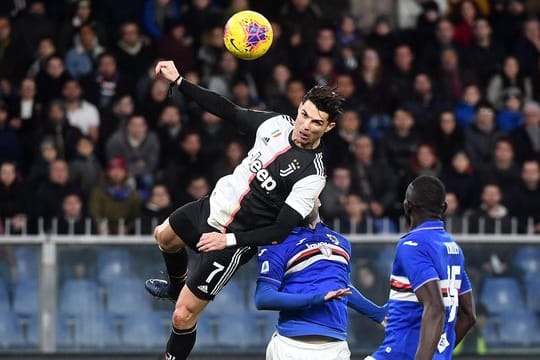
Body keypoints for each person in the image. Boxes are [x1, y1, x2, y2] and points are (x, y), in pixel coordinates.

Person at [144, 60, 344, 360]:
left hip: (233, 240)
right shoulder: (276, 124)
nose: (306, 126)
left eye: (316, 123)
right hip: (212, 206)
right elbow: (227, 109)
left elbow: (279, 232)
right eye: (304, 115)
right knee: (163, 236)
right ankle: (176, 287)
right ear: (299, 107)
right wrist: (179, 81)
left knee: (182, 317)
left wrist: (228, 242)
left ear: (328, 127)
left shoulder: (312, 175)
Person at [255, 201, 386, 360]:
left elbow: (342, 288)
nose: (304, 198)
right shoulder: (276, 241)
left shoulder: (341, 241)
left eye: (309, 193)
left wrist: (377, 313)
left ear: (318, 199)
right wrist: (318, 298)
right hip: (290, 347)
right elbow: (263, 298)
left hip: (336, 348)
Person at [366, 175, 476, 360]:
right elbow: (469, 315)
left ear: (408, 206)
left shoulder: (412, 245)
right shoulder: (454, 249)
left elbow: (435, 307)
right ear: (445, 208)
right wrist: (439, 353)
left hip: (398, 354)